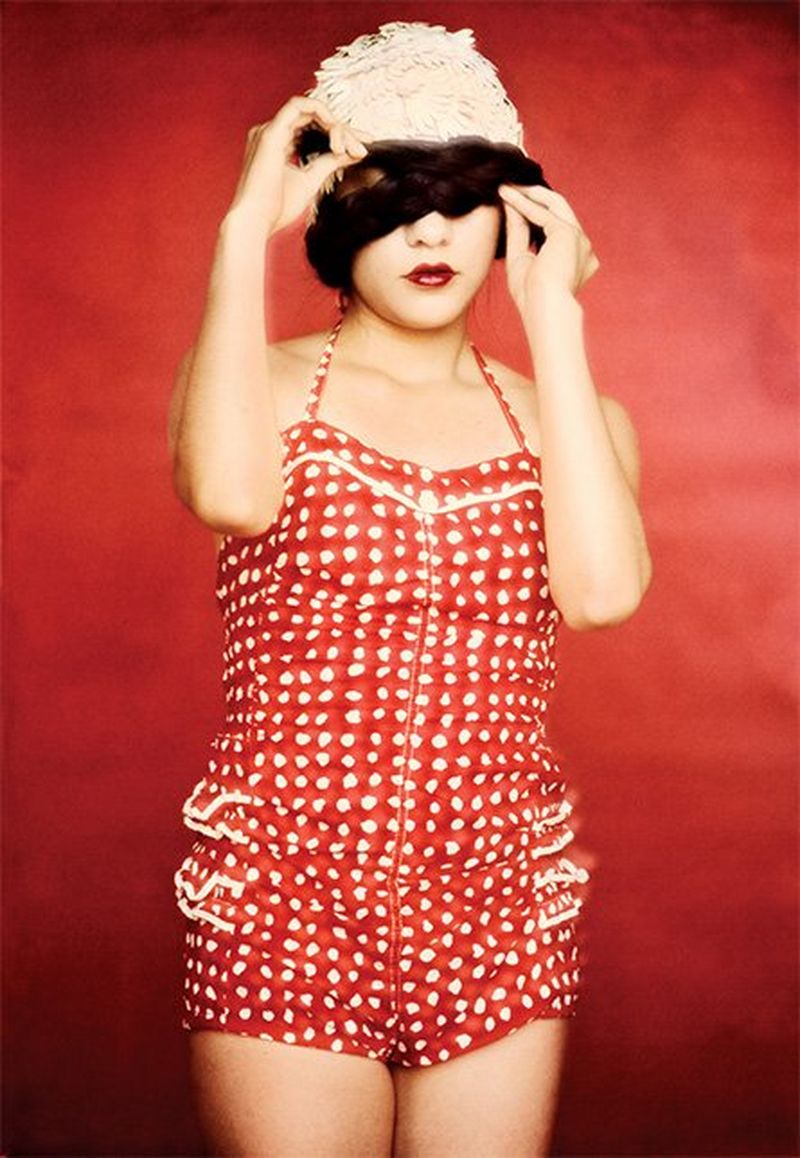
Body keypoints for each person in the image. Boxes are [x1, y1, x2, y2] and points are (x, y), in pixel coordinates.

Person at [168, 22, 652, 1158]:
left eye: (461, 197)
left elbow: (600, 595)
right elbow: (231, 497)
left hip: (495, 903)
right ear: (335, 224)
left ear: (511, 217)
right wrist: (243, 231)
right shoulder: (254, 383)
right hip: (285, 893)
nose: (428, 230)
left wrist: (558, 323)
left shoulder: (570, 421)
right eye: (388, 200)